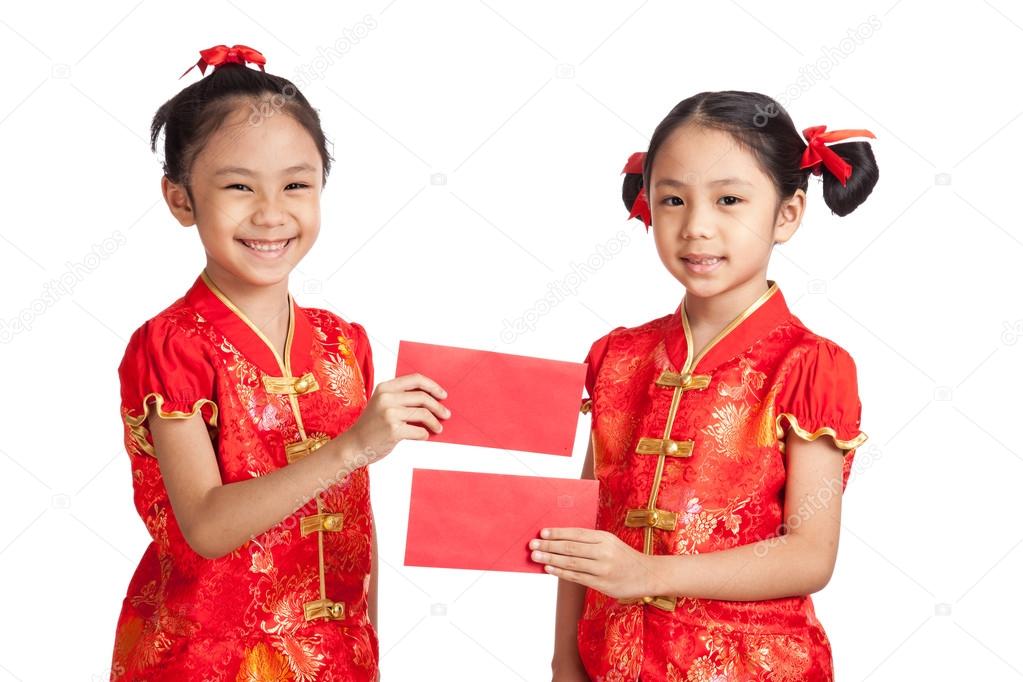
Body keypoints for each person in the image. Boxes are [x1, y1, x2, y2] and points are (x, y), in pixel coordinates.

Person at [109, 44, 449, 681]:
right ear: (181, 200)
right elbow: (207, 524)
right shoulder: (171, 345)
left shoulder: (344, 341)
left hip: (335, 657)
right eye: (239, 187)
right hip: (206, 659)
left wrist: (369, 639)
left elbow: (355, 510)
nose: (271, 213)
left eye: (297, 185)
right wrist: (352, 446)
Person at [532, 90, 878, 681]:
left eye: (729, 200)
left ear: (788, 213)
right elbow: (582, 525)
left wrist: (651, 575)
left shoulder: (808, 365)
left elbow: (809, 555)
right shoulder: (619, 357)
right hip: (611, 664)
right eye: (673, 199)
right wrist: (565, 660)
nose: (697, 227)